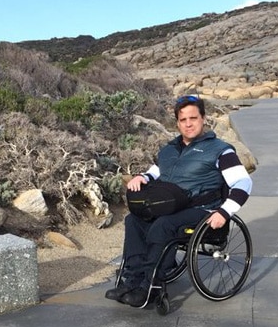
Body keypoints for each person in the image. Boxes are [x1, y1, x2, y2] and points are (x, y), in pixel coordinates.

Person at [105, 95, 253, 307]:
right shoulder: (169, 149)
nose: (188, 123)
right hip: (169, 205)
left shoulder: (220, 150)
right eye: (183, 120)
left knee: (163, 225)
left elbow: (243, 183)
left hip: (202, 209)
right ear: (177, 123)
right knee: (133, 220)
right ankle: (132, 279)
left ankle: (151, 286)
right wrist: (142, 177)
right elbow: (156, 170)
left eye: (193, 118)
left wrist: (224, 212)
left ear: (203, 118)